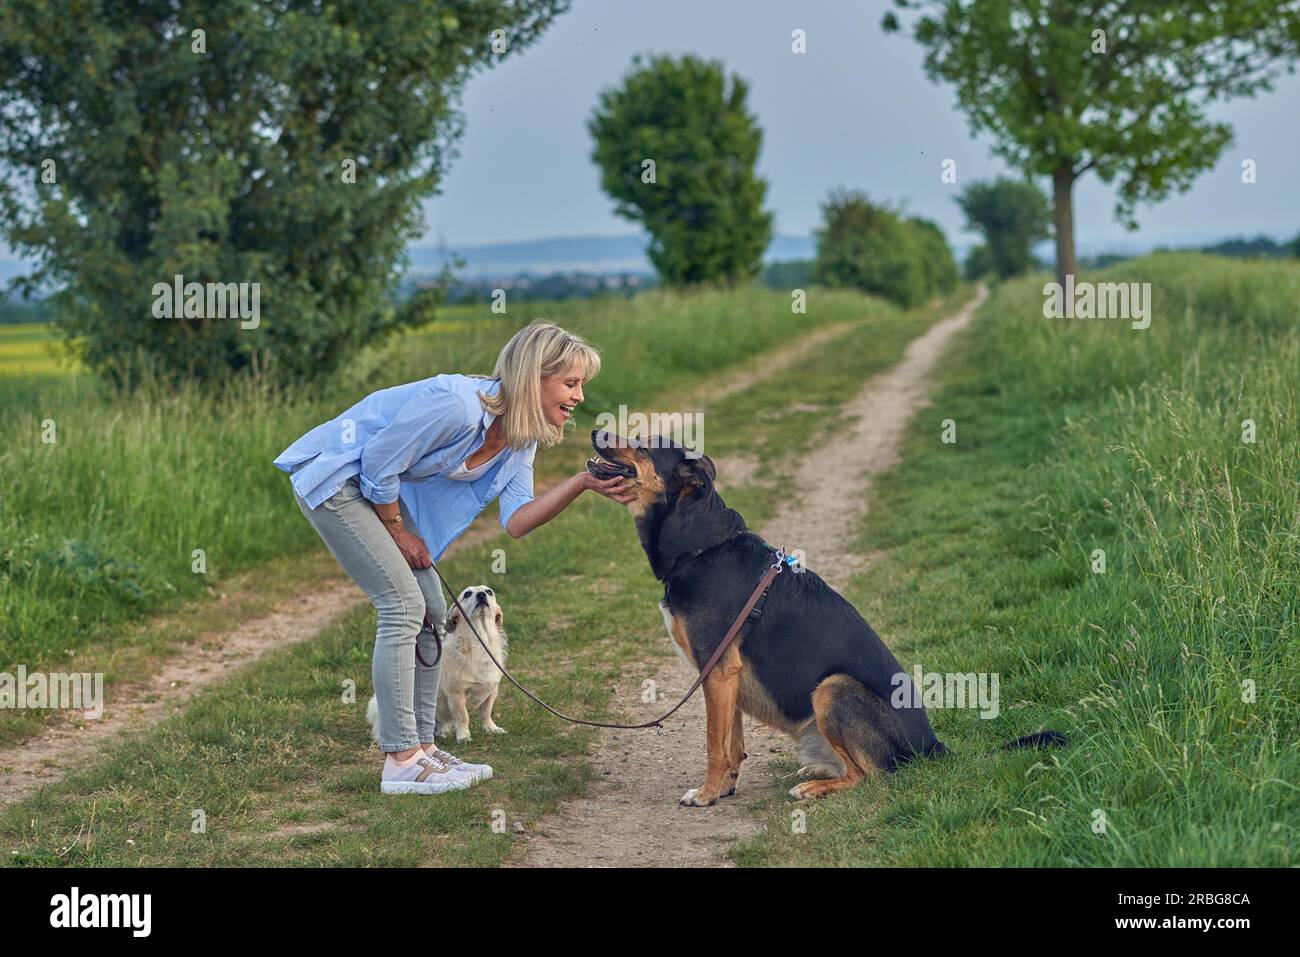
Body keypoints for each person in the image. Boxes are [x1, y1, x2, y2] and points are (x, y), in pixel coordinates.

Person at [273, 321, 635, 794]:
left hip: (378, 492)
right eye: (571, 383)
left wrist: (582, 483)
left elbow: (519, 520)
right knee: (402, 606)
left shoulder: (518, 438)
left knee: (431, 611)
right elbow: (380, 462)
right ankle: (400, 760)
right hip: (339, 481)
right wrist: (399, 531)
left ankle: (424, 749)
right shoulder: (457, 406)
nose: (580, 396)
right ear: (533, 377)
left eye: (582, 384)